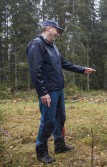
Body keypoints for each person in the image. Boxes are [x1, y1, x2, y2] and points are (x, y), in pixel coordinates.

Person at [26, 20, 96, 163]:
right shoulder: (37, 44)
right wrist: (43, 92)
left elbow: (64, 63)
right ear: (49, 28)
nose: (58, 34)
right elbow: (35, 71)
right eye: (57, 30)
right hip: (48, 91)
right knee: (48, 121)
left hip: (58, 89)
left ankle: (59, 145)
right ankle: (41, 152)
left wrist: (82, 69)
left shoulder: (53, 46)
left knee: (60, 118)